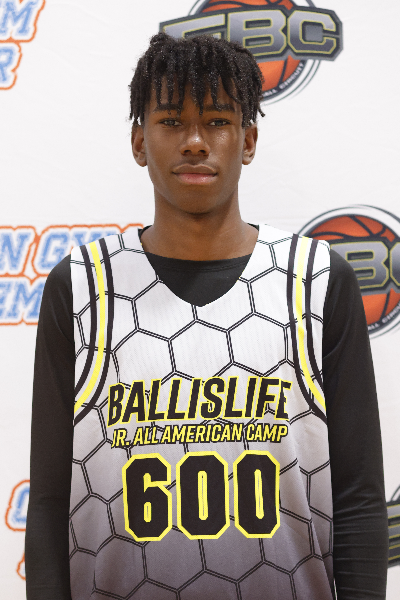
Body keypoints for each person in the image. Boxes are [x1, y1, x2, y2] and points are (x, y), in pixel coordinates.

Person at [26, 33, 388, 600]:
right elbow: (50, 503)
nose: (195, 142)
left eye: (217, 121)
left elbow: (359, 499)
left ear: (248, 140)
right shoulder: (82, 287)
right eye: (171, 121)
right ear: (139, 141)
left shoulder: (317, 281)